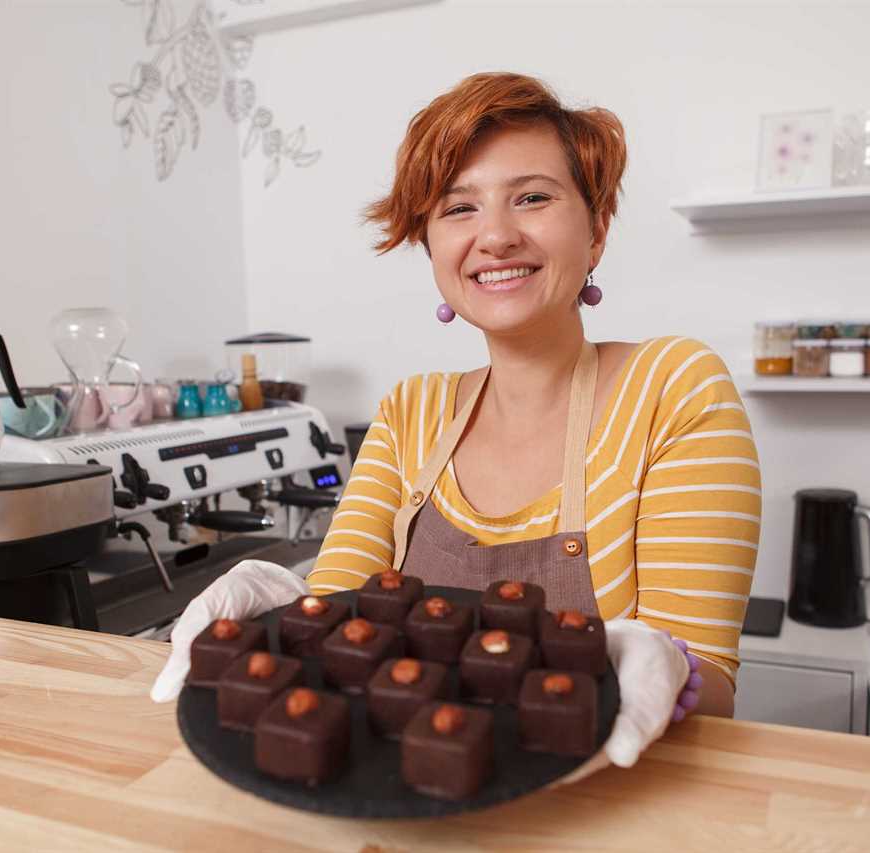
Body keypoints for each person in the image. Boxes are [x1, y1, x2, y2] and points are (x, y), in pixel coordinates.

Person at [153, 72, 760, 766]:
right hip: (403, 800)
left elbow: (711, 690)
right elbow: (340, 630)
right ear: (432, 246)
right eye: (458, 208)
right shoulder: (412, 412)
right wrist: (286, 611)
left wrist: (668, 667)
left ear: (596, 230)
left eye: (532, 197)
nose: (495, 236)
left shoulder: (674, 388)